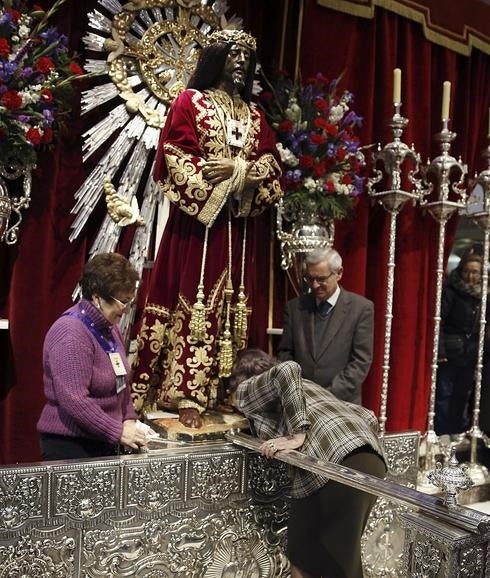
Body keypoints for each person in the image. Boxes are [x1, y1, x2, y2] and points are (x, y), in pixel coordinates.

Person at [131, 29, 282, 429]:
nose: (241, 63)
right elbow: (174, 156)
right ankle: (184, 392)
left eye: (247, 58)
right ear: (216, 57)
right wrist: (221, 188)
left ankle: (225, 390)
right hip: (199, 230)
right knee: (192, 302)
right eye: (233, 55)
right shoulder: (190, 102)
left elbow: (271, 164)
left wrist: (240, 171)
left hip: (239, 231)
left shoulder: (255, 115)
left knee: (233, 308)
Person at [228, 348, 386, 578]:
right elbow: (368, 415)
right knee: (336, 560)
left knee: (303, 556)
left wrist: (297, 434)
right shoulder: (308, 386)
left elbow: (287, 368)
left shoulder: (248, 389)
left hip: (333, 466)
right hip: (372, 460)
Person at [38, 253, 149, 460]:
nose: (126, 309)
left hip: (103, 442)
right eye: (122, 302)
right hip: (71, 447)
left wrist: (129, 419)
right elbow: (75, 401)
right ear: (97, 297)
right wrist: (118, 431)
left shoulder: (110, 328)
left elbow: (121, 383)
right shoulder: (70, 332)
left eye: (130, 301)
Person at [277, 247, 374, 405]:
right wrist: (297, 390)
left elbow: (360, 362)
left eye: (321, 279)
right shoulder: (294, 308)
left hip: (342, 405)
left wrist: (324, 397)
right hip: (300, 403)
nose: (314, 286)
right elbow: (285, 353)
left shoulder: (361, 308)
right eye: (309, 279)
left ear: (339, 273)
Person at [435, 249, 484, 437]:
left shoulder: (482, 295)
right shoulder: (451, 292)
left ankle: (459, 434)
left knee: (463, 396)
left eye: (475, 272)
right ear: (461, 270)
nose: (470, 276)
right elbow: (440, 322)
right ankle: (443, 434)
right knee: (444, 396)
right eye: (467, 271)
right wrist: (440, 351)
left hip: (471, 354)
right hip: (450, 353)